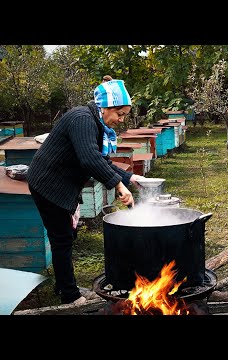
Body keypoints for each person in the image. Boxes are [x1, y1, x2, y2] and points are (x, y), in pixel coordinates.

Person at [27, 77, 145, 304]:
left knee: (65, 237)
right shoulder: (82, 119)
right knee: (61, 239)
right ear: (106, 107)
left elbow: (101, 160)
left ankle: (65, 285)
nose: (121, 120)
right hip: (49, 185)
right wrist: (118, 185)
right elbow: (90, 160)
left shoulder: (94, 121)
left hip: (61, 184)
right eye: (120, 114)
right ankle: (71, 297)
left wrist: (130, 178)